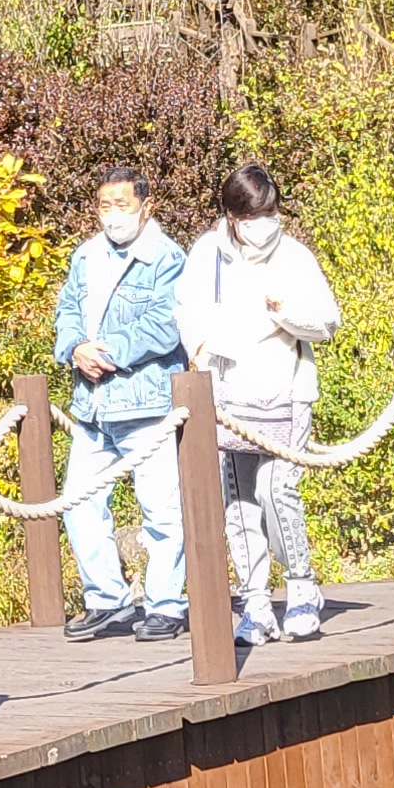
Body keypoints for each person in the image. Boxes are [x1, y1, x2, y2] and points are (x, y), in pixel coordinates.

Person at [178, 163, 340, 646]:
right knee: (240, 505)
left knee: (276, 492)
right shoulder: (208, 253)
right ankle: (254, 602)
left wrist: (285, 311)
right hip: (226, 397)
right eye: (249, 216)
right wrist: (199, 349)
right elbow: (186, 309)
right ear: (230, 216)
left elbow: (327, 322)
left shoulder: (294, 257)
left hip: (285, 396)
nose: (260, 225)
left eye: (268, 213)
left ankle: (302, 589)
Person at [53, 170, 188, 643]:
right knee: (79, 504)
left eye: (122, 205)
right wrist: (73, 349)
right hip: (91, 409)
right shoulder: (85, 257)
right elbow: (67, 310)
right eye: (105, 206)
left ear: (145, 206)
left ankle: (167, 604)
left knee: (162, 511)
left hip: (146, 404)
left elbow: (166, 326)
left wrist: (103, 352)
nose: (113, 215)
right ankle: (106, 599)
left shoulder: (167, 258)